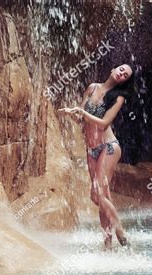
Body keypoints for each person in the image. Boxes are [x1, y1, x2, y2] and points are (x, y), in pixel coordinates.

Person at [58, 64, 135, 249]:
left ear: (124, 81)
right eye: (121, 69)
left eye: (126, 75)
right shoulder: (92, 88)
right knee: (101, 197)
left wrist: (82, 112)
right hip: (91, 150)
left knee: (98, 194)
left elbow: (103, 123)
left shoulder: (118, 97)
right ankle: (107, 245)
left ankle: (120, 232)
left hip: (108, 147)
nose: (122, 73)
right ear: (113, 69)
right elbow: (81, 119)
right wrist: (71, 113)